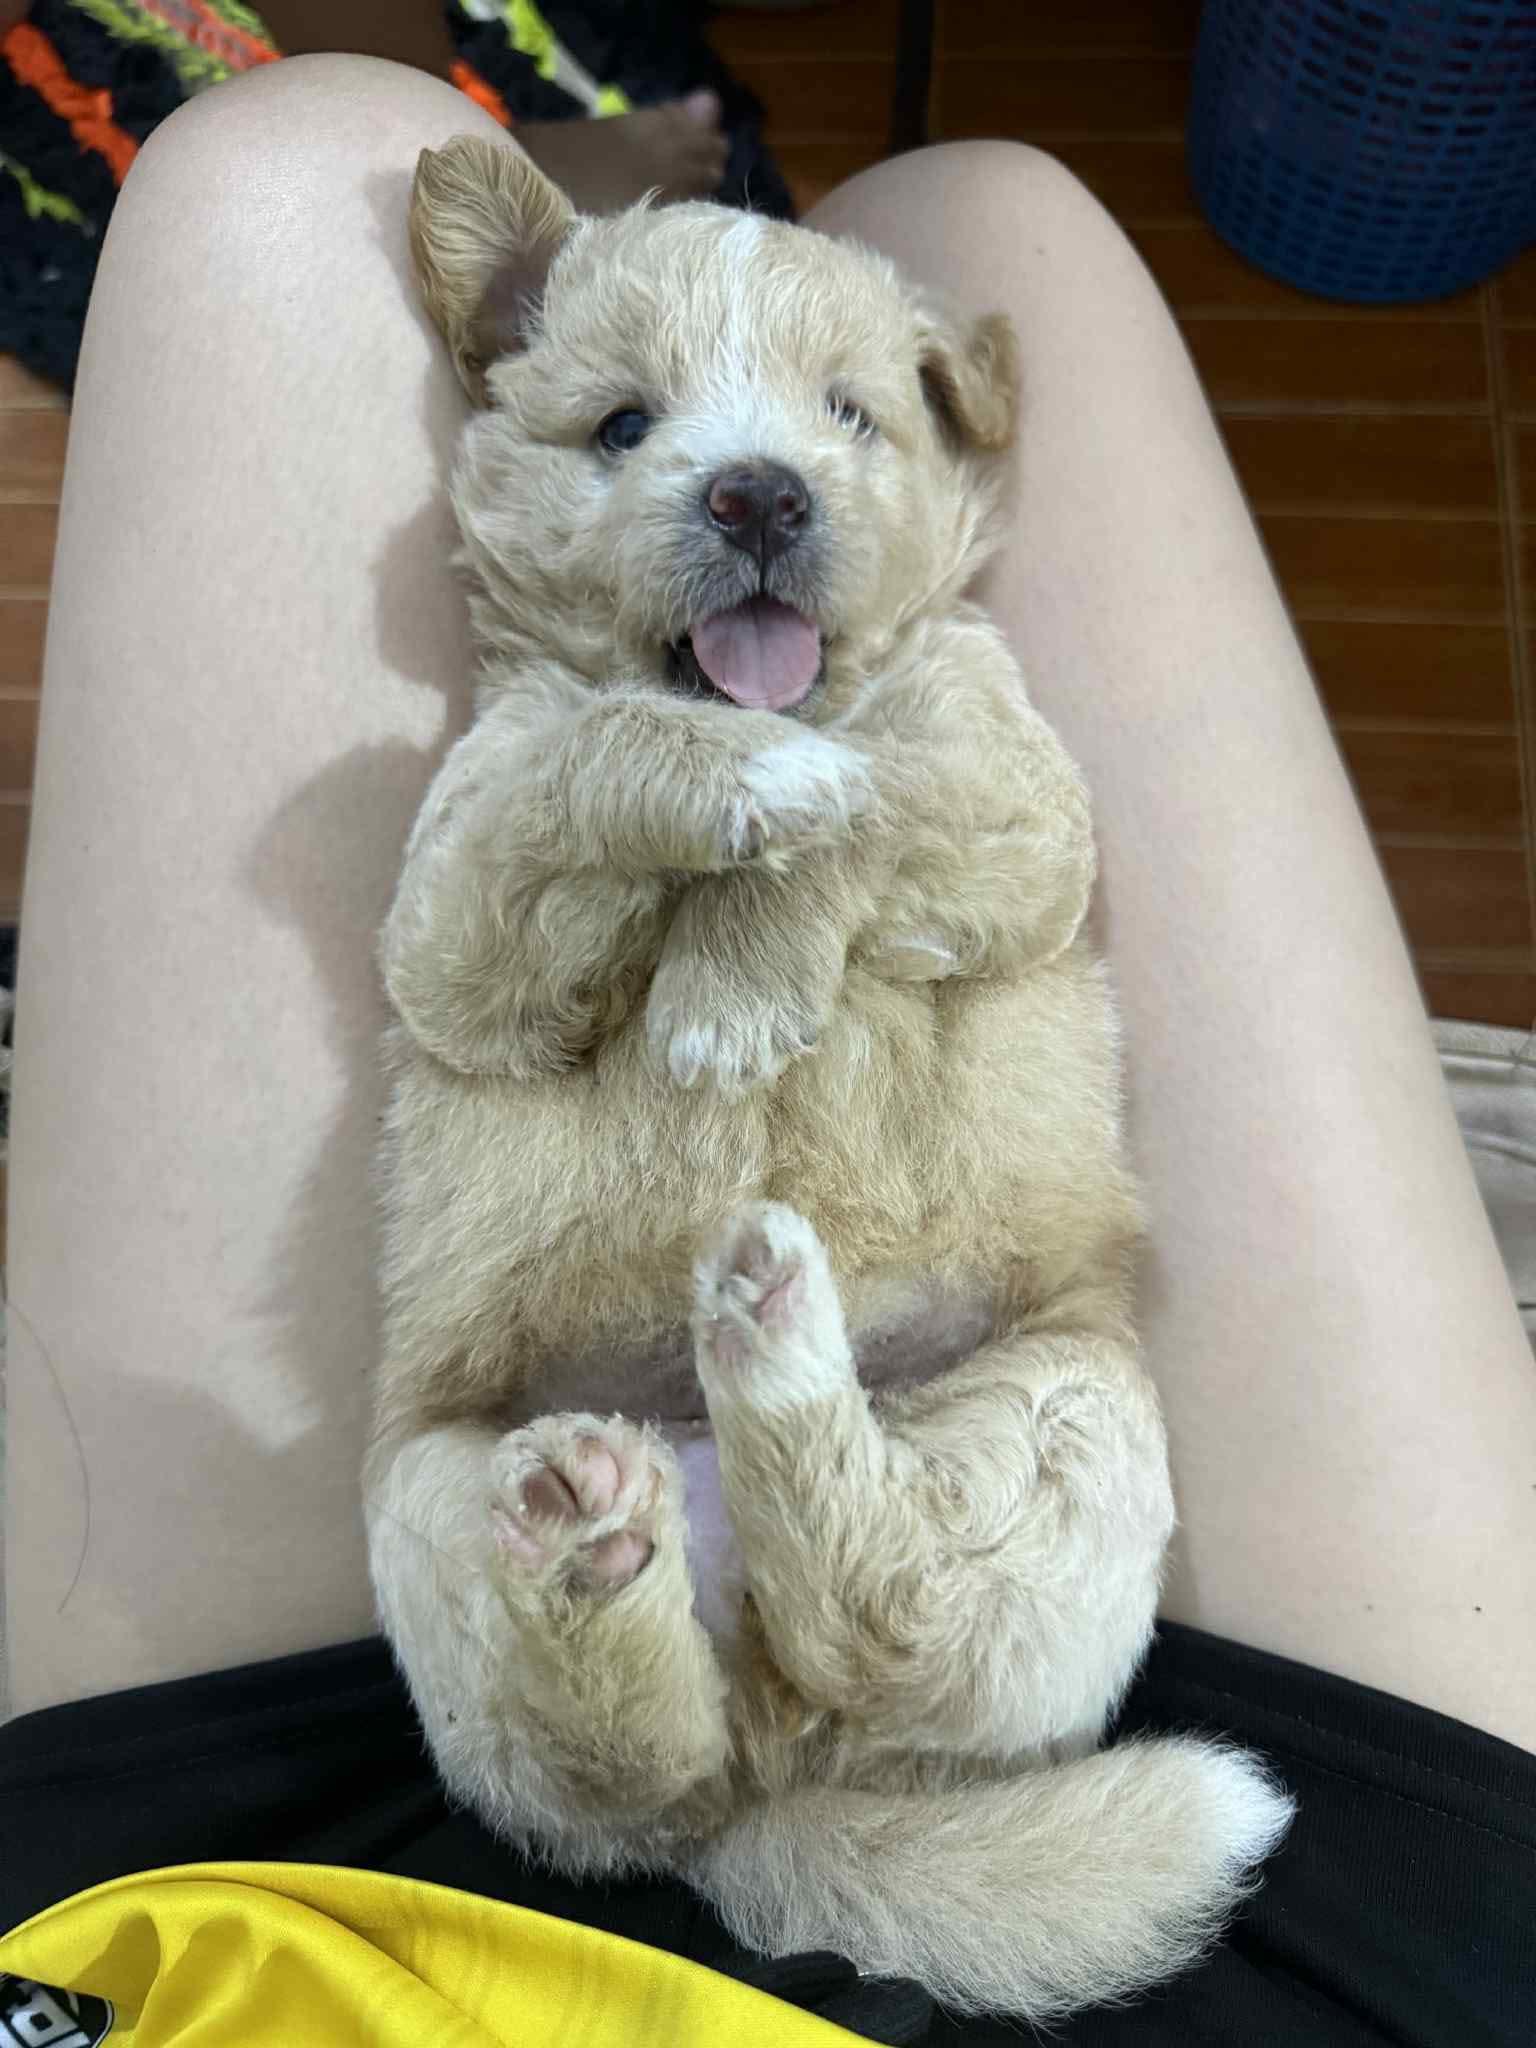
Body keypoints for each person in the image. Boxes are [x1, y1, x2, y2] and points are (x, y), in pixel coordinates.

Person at [2, 51, 1534, 2046]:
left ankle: (772, 1509)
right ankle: (620, 1654)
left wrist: (778, 868)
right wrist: (667, 786)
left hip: (292, 1897)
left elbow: (1010, 871)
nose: (755, 485)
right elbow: (471, 980)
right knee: (991, 195)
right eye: (627, 423)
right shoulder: (537, 745)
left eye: (845, 419)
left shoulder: (947, 688)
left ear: (948, 431)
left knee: (1065, 1436)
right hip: (1368, 1972)